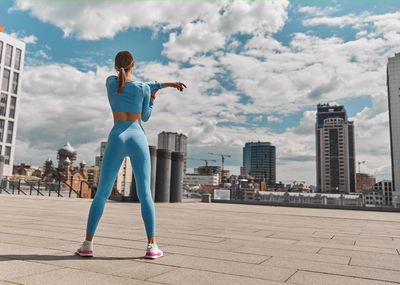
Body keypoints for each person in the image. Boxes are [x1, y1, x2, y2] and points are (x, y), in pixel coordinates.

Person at [75, 50, 187, 259]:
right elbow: (145, 115)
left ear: (116, 65)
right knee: (145, 194)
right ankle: (152, 246)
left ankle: (88, 244)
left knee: (102, 193)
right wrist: (155, 95)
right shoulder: (143, 89)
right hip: (138, 136)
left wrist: (165, 85)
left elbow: (131, 82)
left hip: (117, 135)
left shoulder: (110, 82)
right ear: (134, 64)